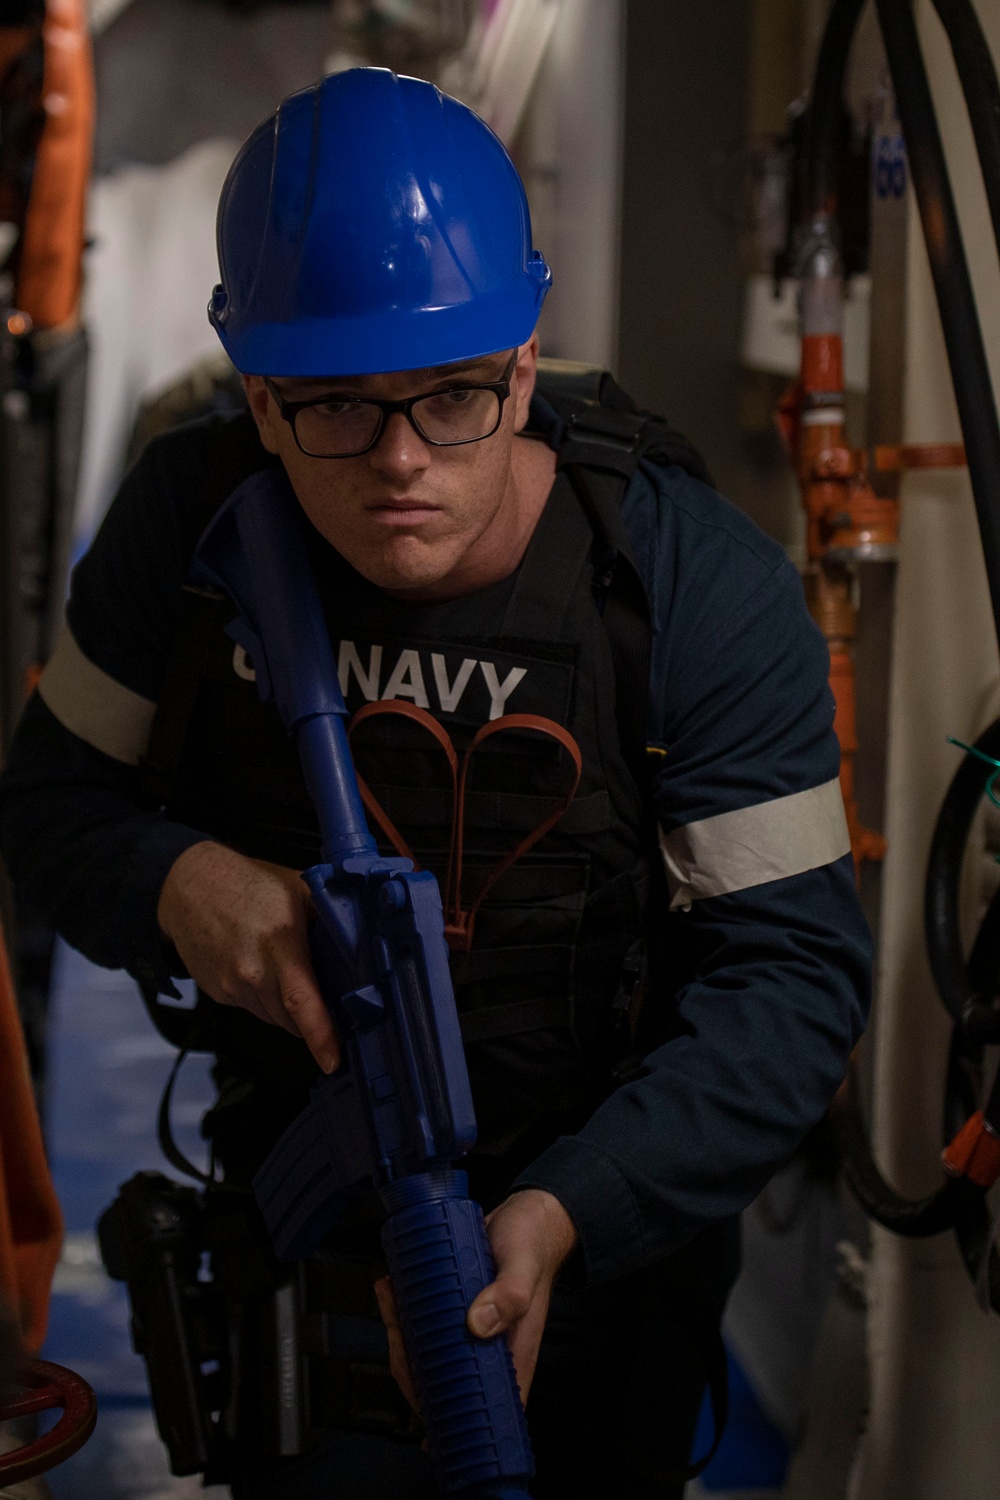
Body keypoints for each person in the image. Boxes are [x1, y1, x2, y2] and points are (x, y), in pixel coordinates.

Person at [0, 67, 870, 1500]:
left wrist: (561, 1212)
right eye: (336, 409)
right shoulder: (190, 526)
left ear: (523, 370)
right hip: (293, 1246)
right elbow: (46, 809)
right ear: (259, 395)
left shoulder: (686, 588)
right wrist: (180, 883)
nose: (400, 460)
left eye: (456, 397)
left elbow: (792, 986)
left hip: (592, 1254)